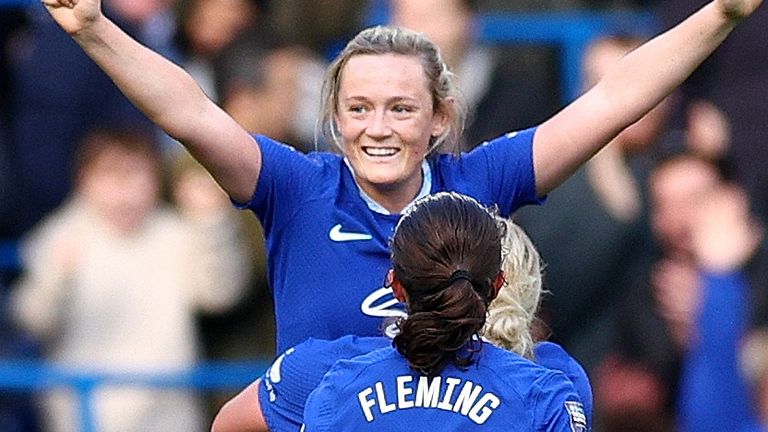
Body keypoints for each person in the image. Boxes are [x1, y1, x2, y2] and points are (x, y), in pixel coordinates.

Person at [41, 0, 764, 354]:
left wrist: (724, 12)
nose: (377, 127)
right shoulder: (294, 188)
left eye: (399, 107)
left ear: (439, 117)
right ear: (333, 115)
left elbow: (611, 100)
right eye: (357, 108)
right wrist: (95, 30)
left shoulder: (480, 181)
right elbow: (190, 112)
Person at [210, 214, 592, 432]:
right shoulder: (554, 384)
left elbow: (228, 425)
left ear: (395, 286)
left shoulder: (327, 377)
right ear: (502, 285)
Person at [9, 126, 251, 432]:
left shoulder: (174, 234)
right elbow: (31, 319)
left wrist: (211, 224)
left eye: (136, 174)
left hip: (170, 418)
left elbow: (219, 295)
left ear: (155, 179)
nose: (124, 189)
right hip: (82, 418)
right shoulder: (60, 235)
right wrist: (56, 280)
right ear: (84, 180)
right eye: (110, 174)